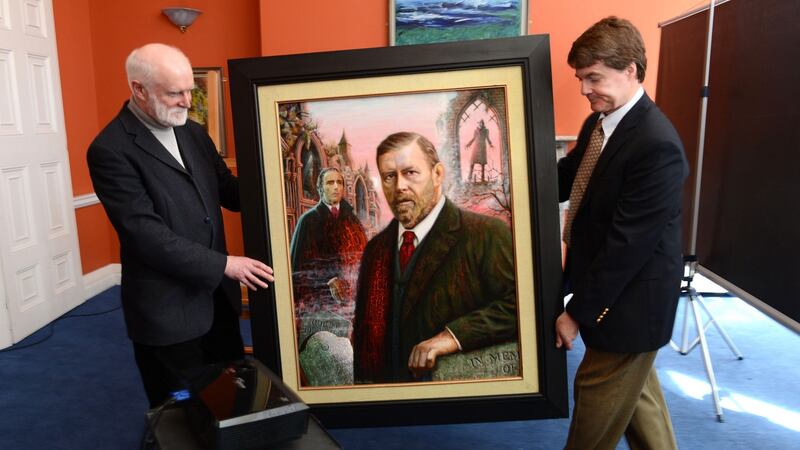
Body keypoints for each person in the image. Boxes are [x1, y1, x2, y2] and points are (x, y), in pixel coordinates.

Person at [87, 43, 274, 408]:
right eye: (175, 93)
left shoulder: (193, 132)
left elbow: (230, 193)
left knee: (229, 396)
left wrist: (277, 180)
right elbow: (147, 237)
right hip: (167, 312)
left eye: (191, 90)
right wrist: (225, 264)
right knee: (180, 414)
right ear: (138, 89)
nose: (188, 101)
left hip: (217, 301)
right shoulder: (109, 150)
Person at [554, 17, 688, 449]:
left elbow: (626, 247)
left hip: (631, 303)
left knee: (594, 407)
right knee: (642, 407)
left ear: (630, 69)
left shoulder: (656, 144)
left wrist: (576, 313)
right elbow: (566, 178)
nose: (583, 89)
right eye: (581, 78)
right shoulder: (599, 124)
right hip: (617, 297)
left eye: (593, 77)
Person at [352, 131, 516, 383]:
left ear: (437, 174)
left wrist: (452, 337)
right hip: (387, 405)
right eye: (389, 177)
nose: (399, 187)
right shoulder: (375, 249)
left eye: (410, 173)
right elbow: (365, 339)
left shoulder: (487, 234)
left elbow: (519, 306)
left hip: (458, 404)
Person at [290, 168, 367, 323]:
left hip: (354, 299)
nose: (336, 187)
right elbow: (298, 266)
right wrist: (329, 278)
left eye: (339, 182)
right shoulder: (308, 221)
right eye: (330, 182)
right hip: (322, 303)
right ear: (320, 188)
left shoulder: (353, 221)